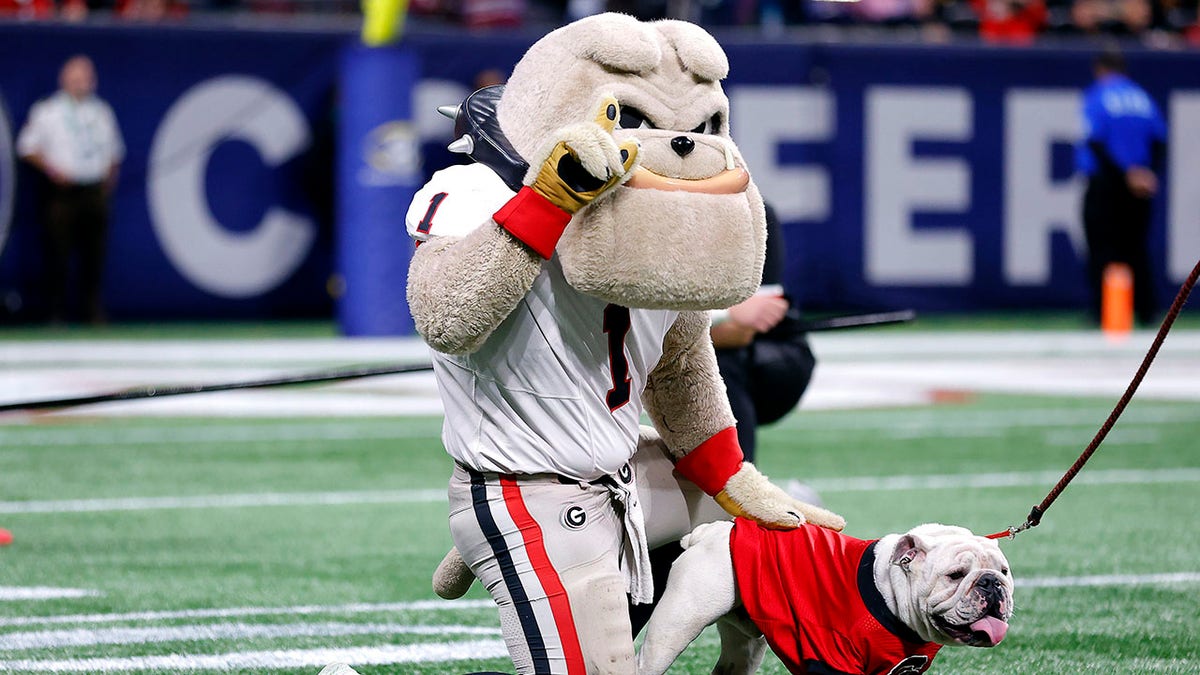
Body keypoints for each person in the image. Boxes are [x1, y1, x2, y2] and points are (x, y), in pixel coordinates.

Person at [17, 55, 124, 325]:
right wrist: (53, 170)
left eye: (85, 77)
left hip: (94, 191)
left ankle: (91, 311)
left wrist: (108, 178)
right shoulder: (48, 111)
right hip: (62, 193)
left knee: (94, 256)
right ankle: (55, 312)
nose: (81, 83)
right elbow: (27, 147)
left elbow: (115, 151)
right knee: (58, 254)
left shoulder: (101, 111)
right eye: (75, 77)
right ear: (63, 79)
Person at [710, 203, 815, 463]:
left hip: (769, 358)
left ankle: (737, 488)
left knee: (716, 364)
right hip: (684, 345)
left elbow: (739, 333)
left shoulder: (752, 213)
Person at [1076, 47, 1166, 327]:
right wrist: (1144, 172)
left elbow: (1095, 141)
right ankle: (1146, 311)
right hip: (1139, 185)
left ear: (1100, 69)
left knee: (1102, 248)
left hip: (1106, 182)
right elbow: (1160, 140)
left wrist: (1124, 173)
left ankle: (1104, 312)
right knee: (1136, 247)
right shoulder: (1142, 97)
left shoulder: (1097, 95)